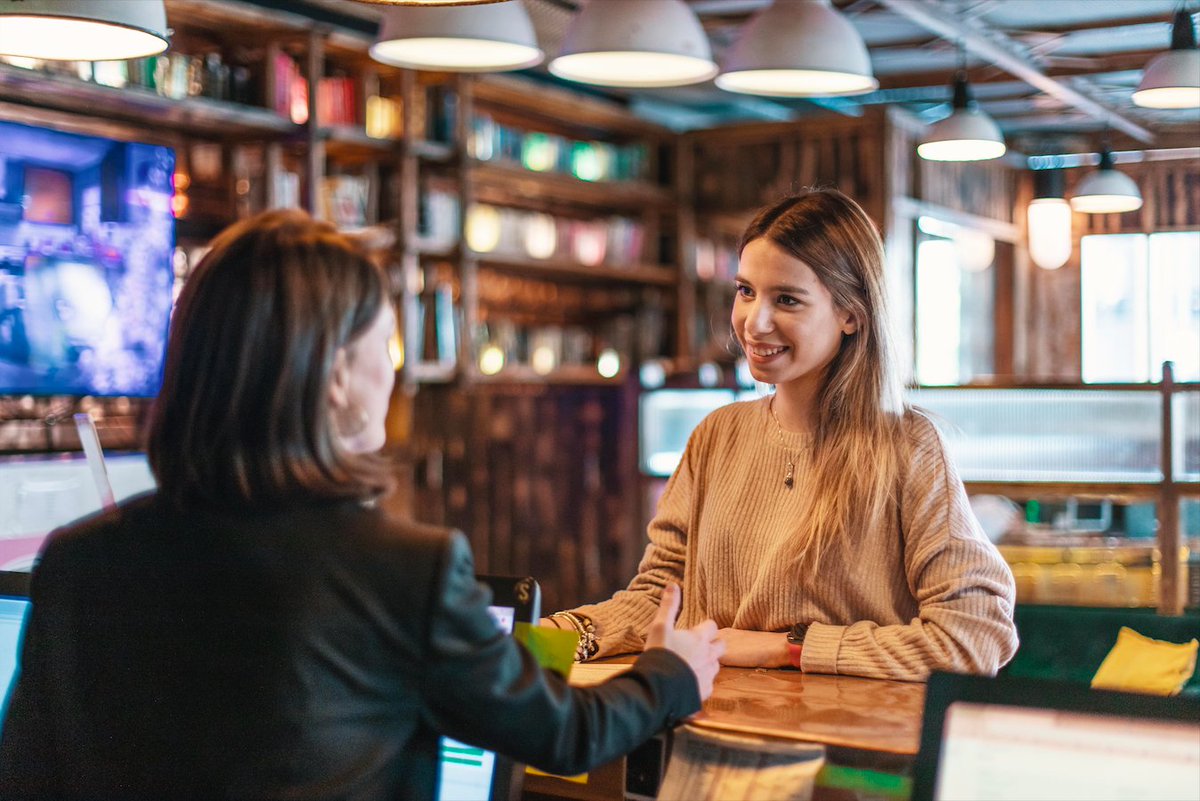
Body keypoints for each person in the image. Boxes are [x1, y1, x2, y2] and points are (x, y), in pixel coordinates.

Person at [0, 210, 723, 801]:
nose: (394, 367)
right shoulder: (403, 570)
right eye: (387, 342)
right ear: (338, 373)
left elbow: (25, 778)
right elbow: (563, 734)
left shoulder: (77, 560)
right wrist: (669, 673)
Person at [548, 189, 1018, 683]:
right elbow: (660, 601)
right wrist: (553, 634)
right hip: (709, 721)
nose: (754, 322)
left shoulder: (909, 447)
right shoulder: (717, 434)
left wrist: (788, 648)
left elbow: (974, 636)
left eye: (787, 299)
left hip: (839, 731)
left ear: (851, 314)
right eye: (746, 291)